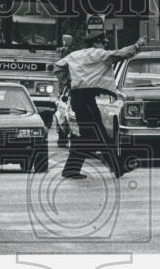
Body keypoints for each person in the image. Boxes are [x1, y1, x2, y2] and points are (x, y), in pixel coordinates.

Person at [54, 32, 146, 178]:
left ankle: (73, 169)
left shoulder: (75, 55)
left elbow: (58, 67)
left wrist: (68, 83)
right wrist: (137, 45)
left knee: (89, 135)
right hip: (87, 99)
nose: (105, 45)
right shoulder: (100, 55)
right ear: (97, 42)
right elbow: (121, 54)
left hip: (78, 97)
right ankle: (117, 168)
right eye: (103, 42)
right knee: (99, 134)